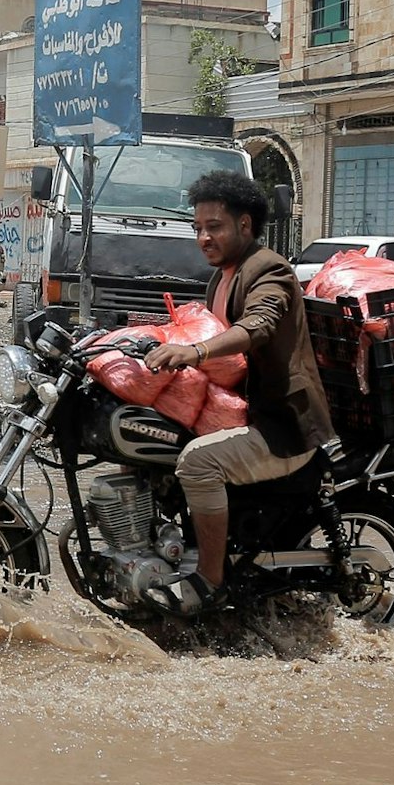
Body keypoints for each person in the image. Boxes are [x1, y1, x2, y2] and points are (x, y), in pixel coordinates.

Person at [141, 173, 336, 616]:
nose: (204, 237)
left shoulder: (268, 269)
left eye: (214, 227)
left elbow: (257, 327)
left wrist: (193, 352)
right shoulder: (222, 276)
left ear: (244, 225)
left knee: (197, 462)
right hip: (245, 412)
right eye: (197, 229)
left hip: (282, 423)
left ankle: (209, 580)